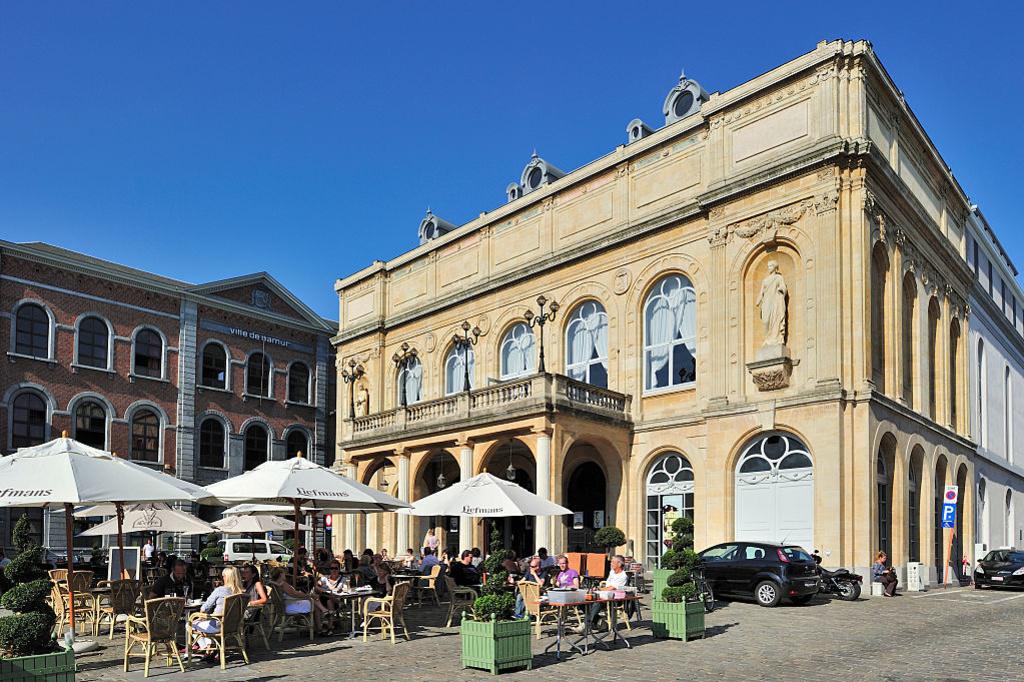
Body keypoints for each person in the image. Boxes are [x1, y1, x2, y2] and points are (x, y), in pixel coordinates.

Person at [191, 566, 244, 652]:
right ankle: (210, 646)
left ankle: (206, 647)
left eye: (223, 576)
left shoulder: (220, 590)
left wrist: (201, 616)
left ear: (226, 577)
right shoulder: (241, 593)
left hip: (218, 624)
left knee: (190, 624)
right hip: (233, 625)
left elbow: (205, 608)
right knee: (204, 622)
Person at [269, 567, 329, 634]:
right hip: (290, 606)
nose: (285, 574)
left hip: (287, 605)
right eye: (283, 573)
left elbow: (293, 594)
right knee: (314, 603)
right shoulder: (283, 584)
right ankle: (319, 627)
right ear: (280, 574)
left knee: (313, 599)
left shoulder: (276, 584)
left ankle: (319, 623)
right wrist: (307, 595)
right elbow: (294, 594)